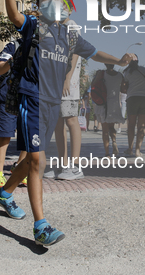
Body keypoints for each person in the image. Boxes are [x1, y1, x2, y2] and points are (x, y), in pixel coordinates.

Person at [0, 0, 133, 246]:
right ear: (38, 4)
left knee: (32, 159)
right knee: (36, 162)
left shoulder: (68, 35)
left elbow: (95, 53)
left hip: (53, 103)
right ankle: (41, 226)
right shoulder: (33, 25)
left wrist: (119, 60)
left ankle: (4, 193)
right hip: (31, 99)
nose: (52, 3)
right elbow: (14, 17)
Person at [49, 17, 85, 180]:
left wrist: (67, 79)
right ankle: (63, 166)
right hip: (56, 84)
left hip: (68, 85)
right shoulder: (56, 27)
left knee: (71, 120)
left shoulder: (71, 25)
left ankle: (76, 166)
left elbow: (75, 52)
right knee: (58, 123)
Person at [0, 40, 27, 188]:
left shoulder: (44, 46)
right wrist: (13, 59)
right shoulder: (14, 45)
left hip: (28, 96)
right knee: (5, 136)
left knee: (29, 136)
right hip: (7, 96)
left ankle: (19, 166)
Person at [123, 57, 145, 158]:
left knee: (131, 125)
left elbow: (124, 87)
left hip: (133, 98)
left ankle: (130, 149)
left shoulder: (127, 72)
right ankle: (138, 150)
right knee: (141, 126)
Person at [94, 64, 126, 158]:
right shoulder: (120, 75)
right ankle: (114, 142)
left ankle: (107, 153)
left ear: (105, 64)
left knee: (105, 130)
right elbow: (123, 89)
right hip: (114, 104)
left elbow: (93, 85)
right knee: (112, 127)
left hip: (103, 103)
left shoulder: (101, 74)